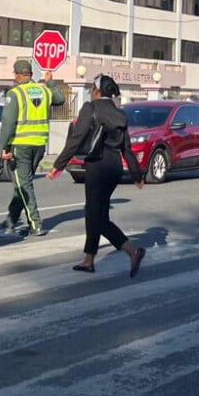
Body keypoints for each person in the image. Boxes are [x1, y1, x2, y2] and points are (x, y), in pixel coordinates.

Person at [49, 73, 146, 277]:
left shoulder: (90, 108)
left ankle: (132, 251)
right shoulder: (120, 115)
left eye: (92, 89)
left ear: (96, 91)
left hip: (97, 167)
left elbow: (76, 139)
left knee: (96, 217)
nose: (90, 93)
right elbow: (127, 148)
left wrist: (59, 165)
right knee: (98, 212)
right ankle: (89, 259)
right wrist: (137, 175)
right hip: (115, 168)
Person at [0, 59, 65, 237]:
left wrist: (3, 147)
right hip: (39, 145)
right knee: (22, 183)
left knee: (24, 184)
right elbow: (60, 99)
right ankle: (11, 220)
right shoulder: (44, 90)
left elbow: (8, 123)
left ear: (18, 75)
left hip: (21, 145)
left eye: (14, 75)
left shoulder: (16, 93)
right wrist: (50, 81)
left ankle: (35, 223)